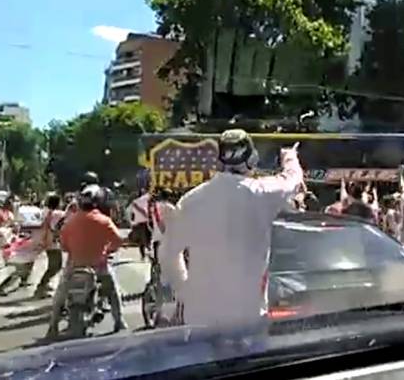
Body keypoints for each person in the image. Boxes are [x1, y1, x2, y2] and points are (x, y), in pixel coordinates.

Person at [161, 129, 302, 350]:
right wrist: (289, 156)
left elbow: (168, 254)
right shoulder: (263, 193)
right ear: (251, 159)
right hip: (248, 323)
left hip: (200, 323)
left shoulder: (191, 201)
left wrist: (185, 289)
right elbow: (292, 179)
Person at [46, 185, 126, 338]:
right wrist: (108, 250)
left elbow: (64, 246)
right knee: (113, 291)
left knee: (60, 294)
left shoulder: (70, 222)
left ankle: (53, 325)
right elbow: (117, 241)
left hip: (74, 265)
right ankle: (119, 321)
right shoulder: (104, 220)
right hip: (99, 266)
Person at [33, 193, 66, 298]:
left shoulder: (46, 212)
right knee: (55, 266)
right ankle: (41, 287)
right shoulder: (59, 214)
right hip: (54, 242)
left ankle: (44, 285)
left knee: (54, 266)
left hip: (47, 241)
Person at [127, 188, 151, 260]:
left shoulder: (134, 202)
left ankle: (143, 255)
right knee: (146, 239)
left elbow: (130, 213)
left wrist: (131, 222)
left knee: (141, 241)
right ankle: (149, 253)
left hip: (137, 223)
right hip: (144, 222)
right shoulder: (145, 199)